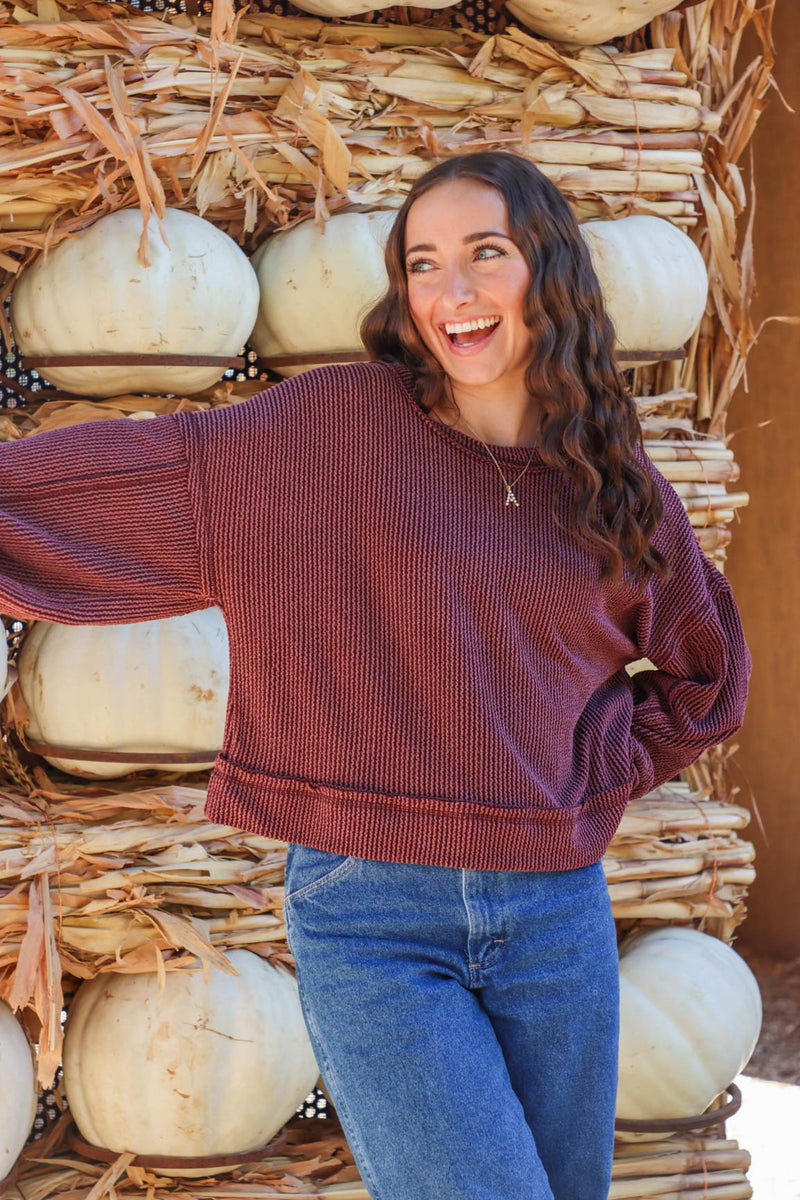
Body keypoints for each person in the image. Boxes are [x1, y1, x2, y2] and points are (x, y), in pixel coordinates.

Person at [0, 152, 750, 1200]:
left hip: (554, 916)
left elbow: (704, 674)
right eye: (422, 264)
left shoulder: (608, 479)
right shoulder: (328, 431)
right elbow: (140, 479)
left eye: (484, 255)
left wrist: (587, 767)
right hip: (370, 916)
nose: (451, 293)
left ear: (548, 269)